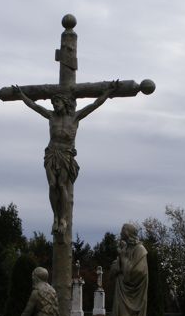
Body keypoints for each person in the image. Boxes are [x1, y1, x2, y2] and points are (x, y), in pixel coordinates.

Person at [13, 82, 118, 234]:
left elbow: (95, 104)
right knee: (52, 185)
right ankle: (55, 216)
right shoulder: (51, 116)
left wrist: (108, 92)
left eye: (57, 102)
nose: (55, 105)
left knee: (61, 185)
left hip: (65, 154)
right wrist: (21, 95)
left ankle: (63, 218)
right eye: (53, 103)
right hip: (51, 153)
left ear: (64, 102)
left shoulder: (75, 117)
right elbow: (34, 106)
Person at [111, 223, 152, 316]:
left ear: (128, 233)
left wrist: (123, 260)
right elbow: (116, 268)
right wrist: (117, 265)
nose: (120, 231)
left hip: (134, 297)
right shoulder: (125, 248)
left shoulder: (140, 250)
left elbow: (139, 273)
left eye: (123, 229)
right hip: (124, 294)